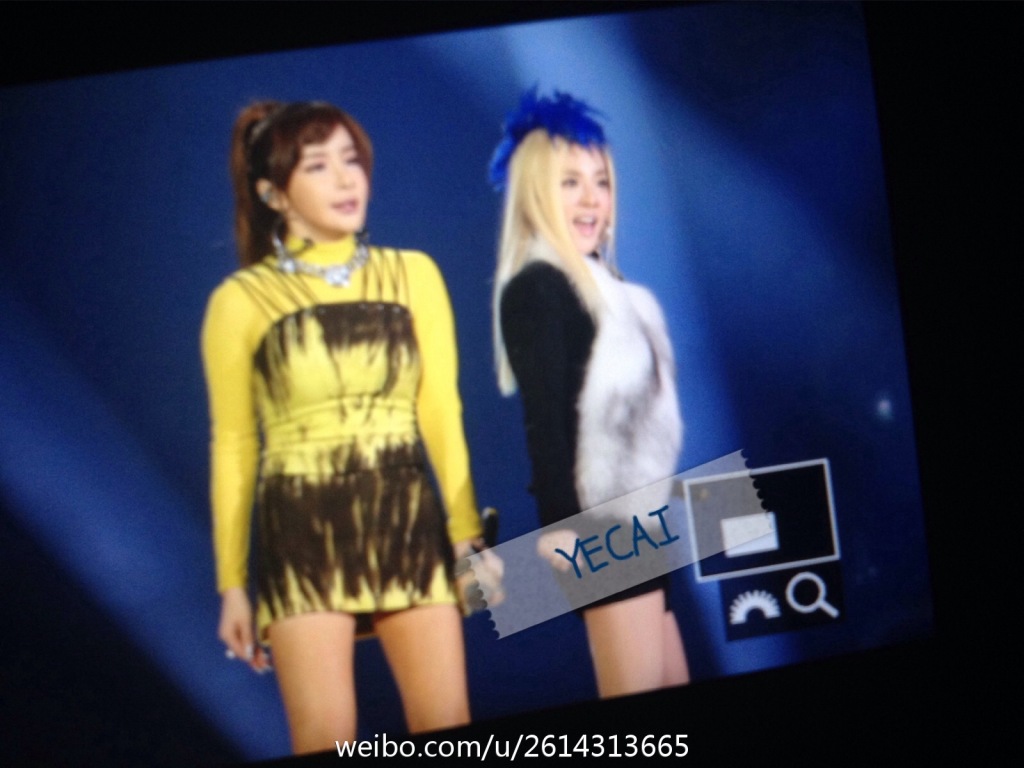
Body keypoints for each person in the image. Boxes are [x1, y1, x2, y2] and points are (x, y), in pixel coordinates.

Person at [202, 100, 493, 753]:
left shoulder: (413, 273)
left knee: (447, 724)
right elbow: (234, 445)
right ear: (273, 193)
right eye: (318, 166)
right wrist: (232, 585)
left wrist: (465, 532)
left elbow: (440, 408)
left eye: (351, 160)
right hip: (303, 528)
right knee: (325, 736)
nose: (345, 179)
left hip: (405, 516)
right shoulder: (239, 302)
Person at [489, 89, 690, 698]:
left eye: (600, 182)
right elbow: (546, 422)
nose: (591, 199)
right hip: (596, 526)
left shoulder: (614, 290)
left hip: (640, 522)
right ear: (534, 193)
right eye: (570, 182)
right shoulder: (539, 286)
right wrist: (559, 526)